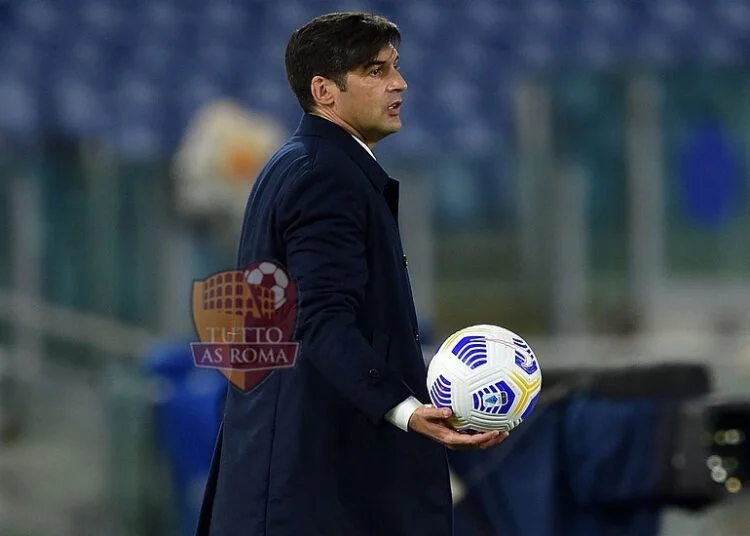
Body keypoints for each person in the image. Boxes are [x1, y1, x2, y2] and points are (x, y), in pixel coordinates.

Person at [195, 12, 508, 536]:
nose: (399, 83)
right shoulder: (326, 176)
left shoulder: (295, 162)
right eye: (374, 70)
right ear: (324, 91)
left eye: (395, 67)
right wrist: (405, 408)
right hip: (315, 496)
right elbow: (319, 321)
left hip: (285, 486)